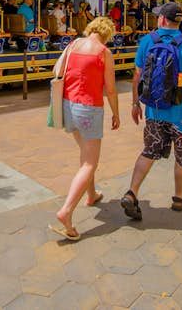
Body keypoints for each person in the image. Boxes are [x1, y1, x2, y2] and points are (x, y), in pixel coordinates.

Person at [121, 2, 182, 221]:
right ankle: (178, 197)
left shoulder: (147, 41)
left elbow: (137, 77)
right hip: (181, 113)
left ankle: (132, 194)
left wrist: (135, 104)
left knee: (149, 151)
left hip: (154, 111)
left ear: (163, 20)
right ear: (178, 22)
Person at [49, 17, 120, 240]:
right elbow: (110, 89)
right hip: (89, 109)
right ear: (108, 33)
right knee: (90, 162)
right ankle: (66, 211)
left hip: (67, 105)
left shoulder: (73, 45)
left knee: (85, 154)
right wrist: (116, 113)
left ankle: (91, 195)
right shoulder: (104, 53)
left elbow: (56, 69)